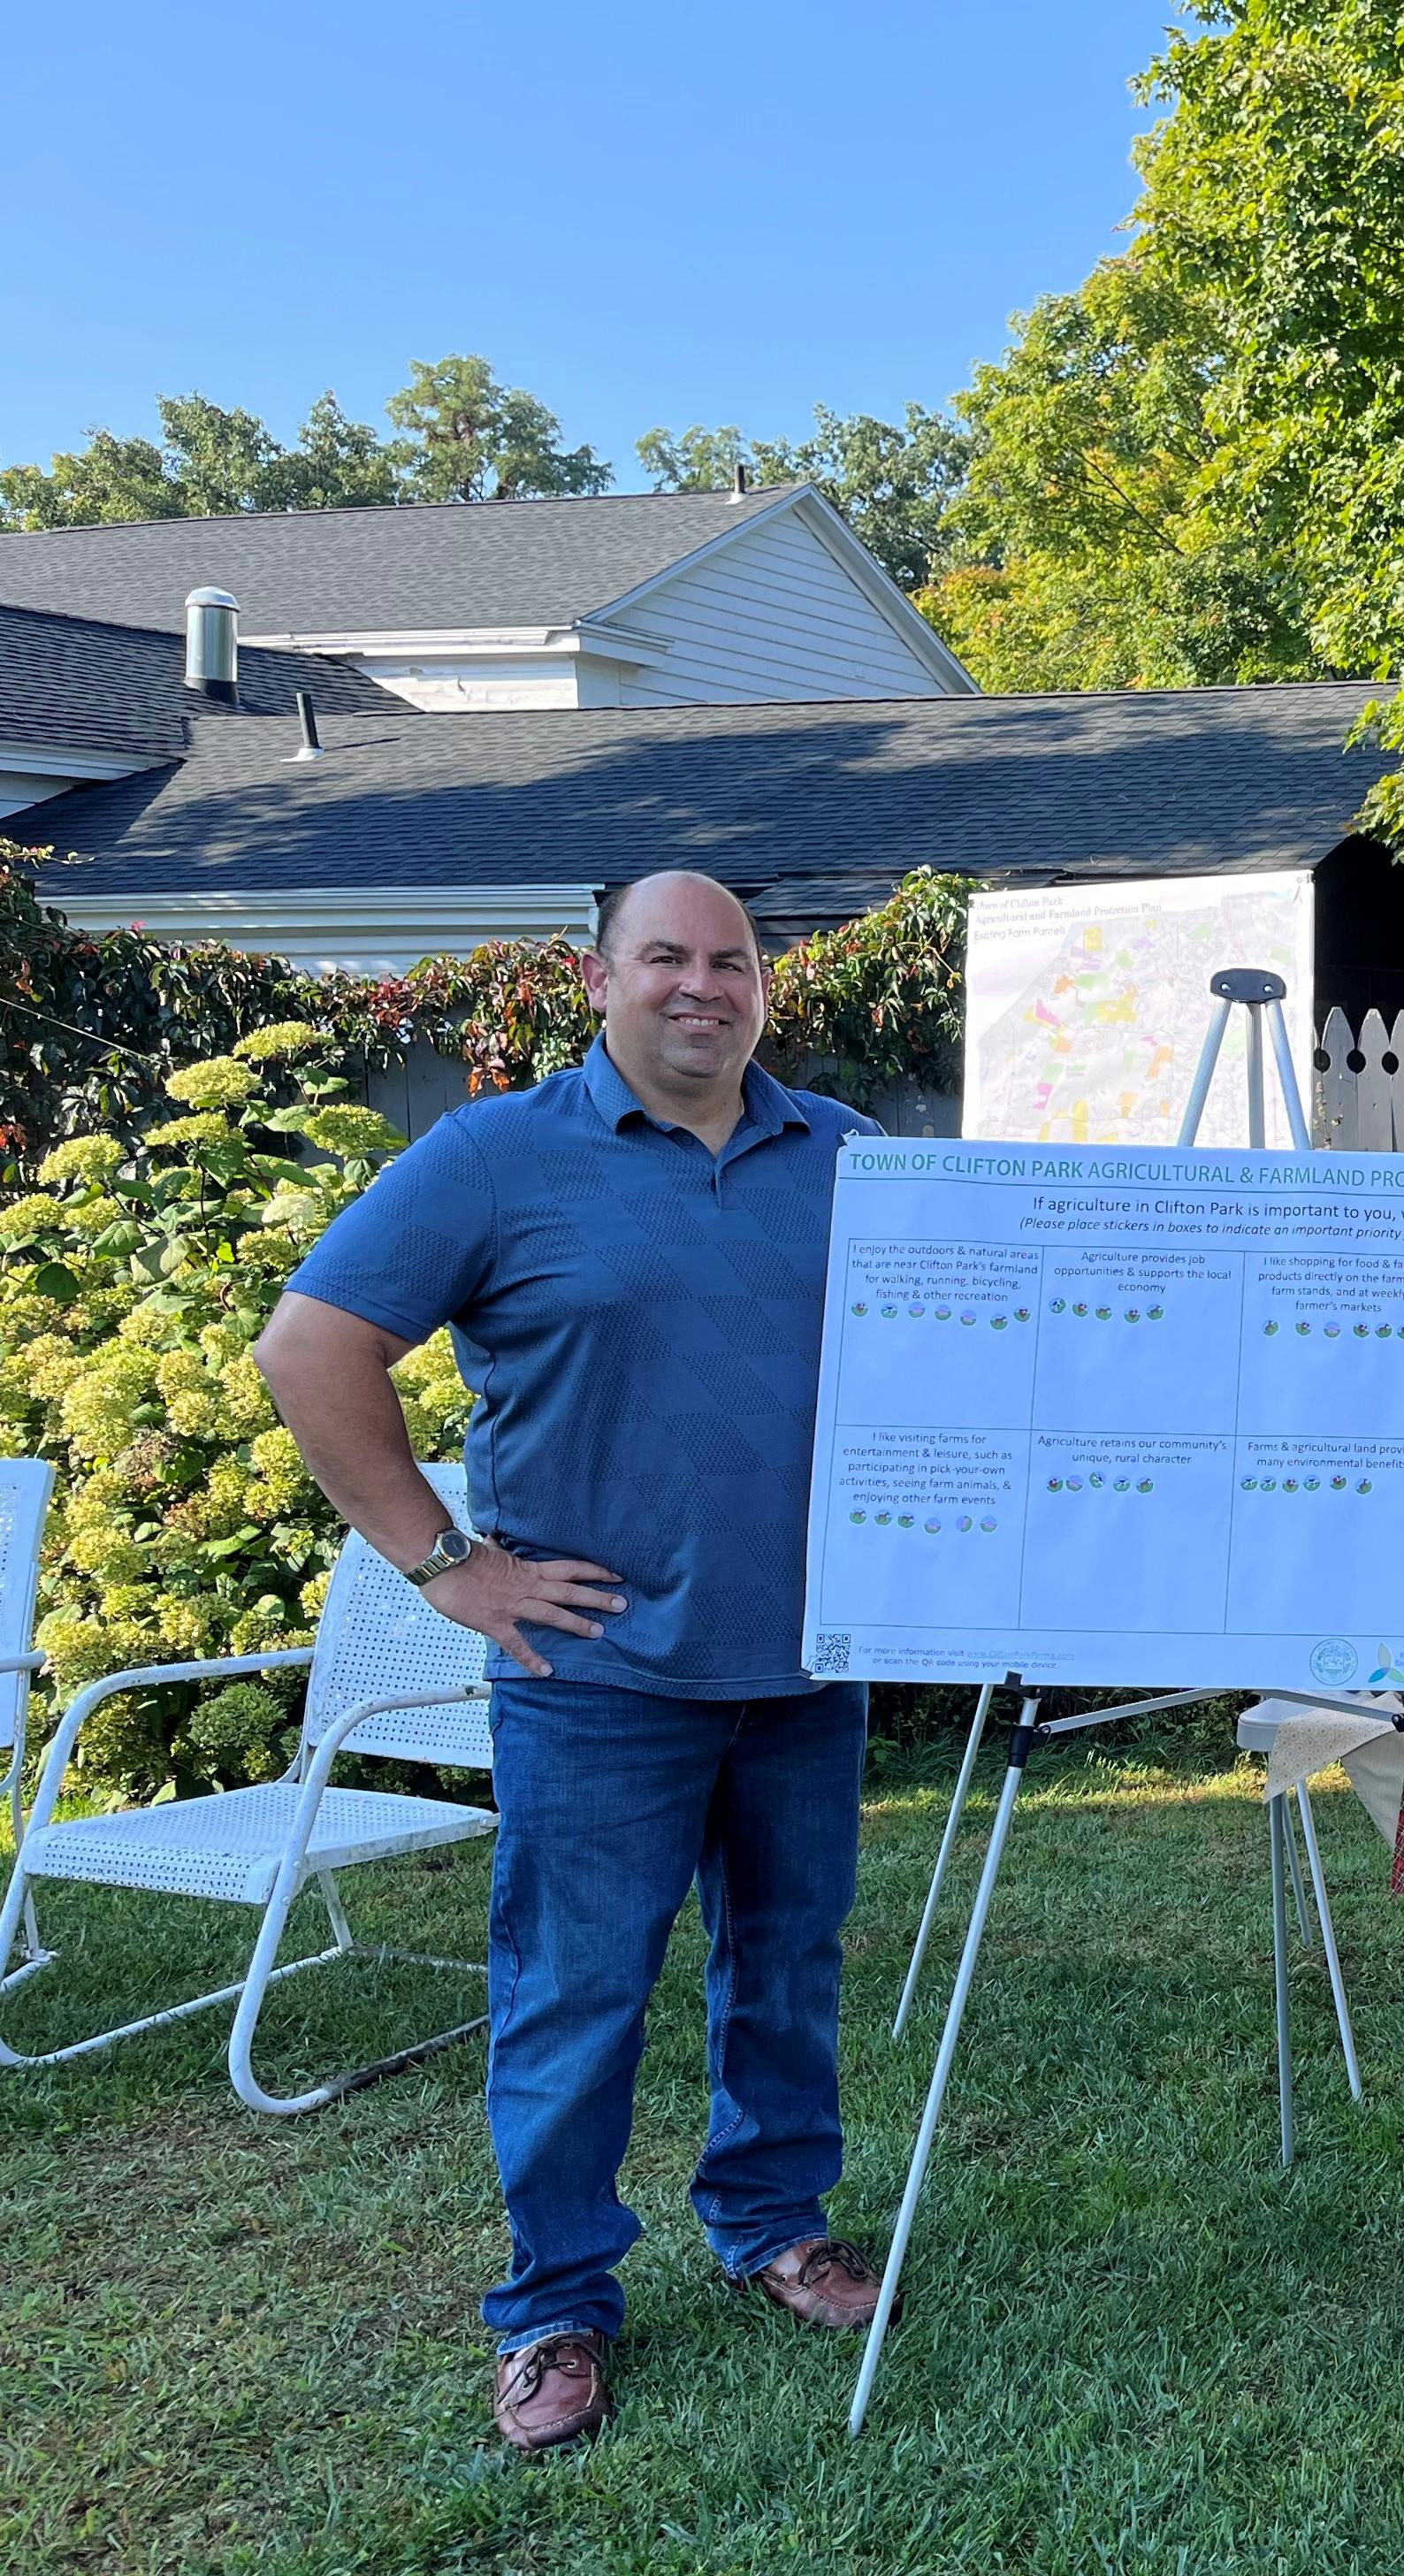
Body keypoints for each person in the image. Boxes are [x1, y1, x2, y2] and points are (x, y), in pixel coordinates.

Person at [256, 869, 885, 2457]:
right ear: (596, 979)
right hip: (595, 1679)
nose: (700, 985)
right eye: (662, 957)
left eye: (729, 960)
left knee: (788, 1967)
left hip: (812, 1665)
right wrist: (449, 1568)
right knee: (577, 1995)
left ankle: (773, 2224)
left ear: (764, 984)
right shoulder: (495, 1156)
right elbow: (309, 1348)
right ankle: (556, 2305)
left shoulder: (856, 1160)